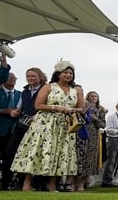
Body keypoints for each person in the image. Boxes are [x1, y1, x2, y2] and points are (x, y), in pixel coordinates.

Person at [11, 60, 84, 192]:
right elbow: (38, 105)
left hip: (64, 125)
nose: (68, 75)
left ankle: (52, 183)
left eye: (70, 73)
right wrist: (56, 107)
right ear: (58, 74)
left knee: (60, 152)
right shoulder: (49, 87)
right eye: (65, 73)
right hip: (45, 123)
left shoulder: (76, 90)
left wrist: (71, 110)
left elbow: (81, 108)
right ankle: (27, 182)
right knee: (37, 150)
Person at [4, 67, 47, 190]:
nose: (30, 78)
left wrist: (37, 115)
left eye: (33, 76)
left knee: (33, 154)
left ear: (40, 77)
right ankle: (13, 181)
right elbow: (20, 106)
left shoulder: (45, 89)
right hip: (23, 125)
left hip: (38, 126)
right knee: (11, 152)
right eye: (28, 76)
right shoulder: (25, 91)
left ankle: (32, 183)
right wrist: (16, 111)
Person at [74, 90, 106, 191]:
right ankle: (74, 182)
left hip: (93, 137)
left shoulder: (101, 109)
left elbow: (103, 125)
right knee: (79, 158)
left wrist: (96, 119)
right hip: (81, 134)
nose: (93, 98)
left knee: (90, 160)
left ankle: (82, 183)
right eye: (91, 96)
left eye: (95, 96)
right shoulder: (83, 107)